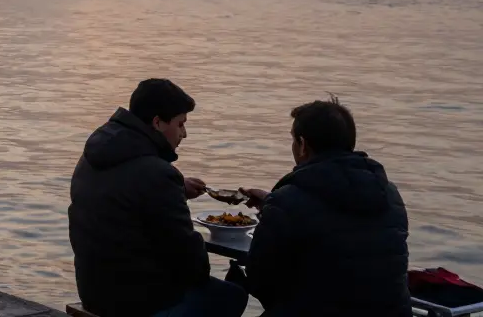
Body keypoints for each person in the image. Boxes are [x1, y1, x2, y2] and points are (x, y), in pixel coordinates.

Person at [69, 78, 247, 317]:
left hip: (93, 291)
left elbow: (122, 192)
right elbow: (193, 264)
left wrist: (177, 189)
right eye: (181, 124)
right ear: (158, 122)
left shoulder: (94, 155)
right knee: (233, 295)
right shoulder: (158, 175)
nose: (185, 133)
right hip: (137, 303)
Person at [238, 98, 411, 316]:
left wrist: (277, 206)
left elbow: (260, 281)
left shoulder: (287, 201)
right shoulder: (390, 194)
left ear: (302, 145)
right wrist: (272, 206)